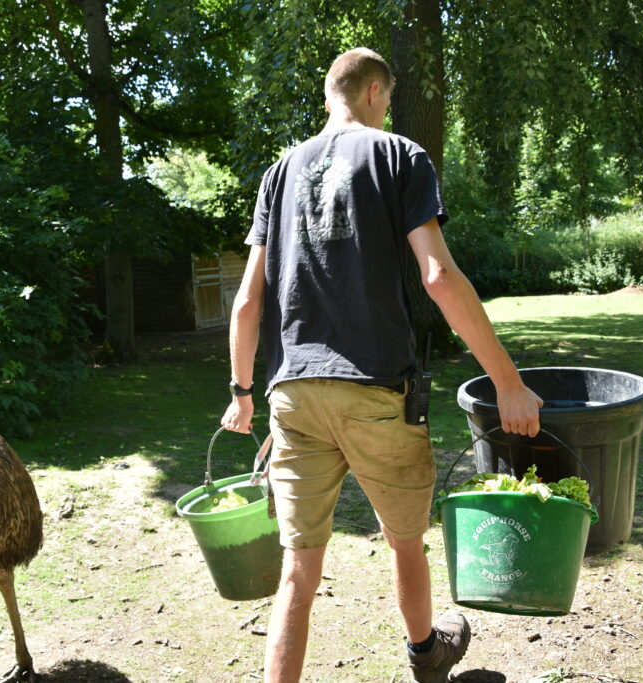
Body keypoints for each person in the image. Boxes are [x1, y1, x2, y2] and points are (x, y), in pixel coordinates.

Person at [220, 47, 543, 683]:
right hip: (374, 388)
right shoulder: (400, 155)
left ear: (327, 96)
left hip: (293, 392)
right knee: (403, 541)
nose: (389, 109)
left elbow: (247, 301)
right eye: (388, 99)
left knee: (298, 566)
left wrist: (241, 391)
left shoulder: (279, 172)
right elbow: (439, 275)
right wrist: (509, 382)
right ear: (374, 92)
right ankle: (428, 655)